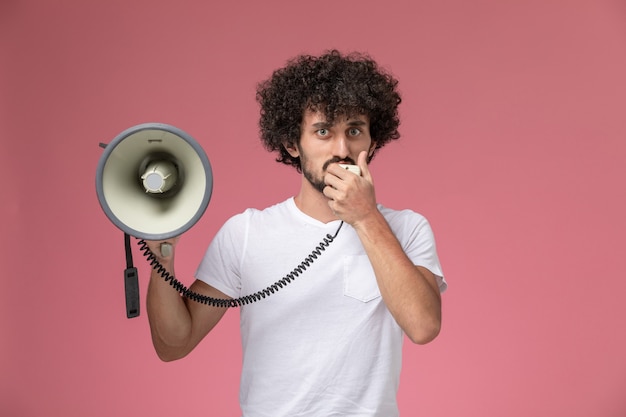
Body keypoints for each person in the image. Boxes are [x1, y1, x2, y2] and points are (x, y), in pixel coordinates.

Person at [145, 49, 447, 417]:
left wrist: (366, 218)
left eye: (354, 131)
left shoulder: (406, 228)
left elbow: (424, 326)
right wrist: (161, 255)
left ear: (373, 141)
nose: (342, 150)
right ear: (293, 145)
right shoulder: (246, 233)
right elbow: (174, 345)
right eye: (323, 131)